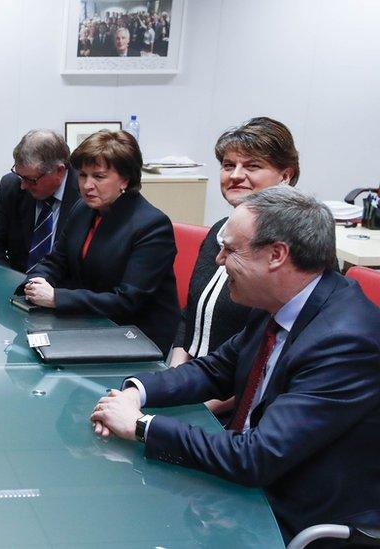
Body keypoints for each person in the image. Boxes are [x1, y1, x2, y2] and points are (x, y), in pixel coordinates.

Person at [90, 186, 380, 543]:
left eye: (230, 249)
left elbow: (257, 457)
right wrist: (138, 392)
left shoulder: (346, 340)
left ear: (276, 255)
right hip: (244, 484)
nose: (218, 260)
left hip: (292, 513)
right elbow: (215, 370)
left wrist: (141, 426)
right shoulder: (281, 302)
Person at [170, 117, 300, 416]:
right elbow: (189, 315)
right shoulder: (219, 230)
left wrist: (199, 409)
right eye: (229, 166)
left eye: (252, 166)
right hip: (193, 387)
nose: (235, 176)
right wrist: (174, 379)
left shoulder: (297, 250)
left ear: (286, 175)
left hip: (240, 408)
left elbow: (272, 361)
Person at [20, 130, 179, 353]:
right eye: (83, 175)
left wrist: (57, 298)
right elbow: (56, 260)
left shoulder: (152, 226)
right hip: (87, 323)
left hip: (133, 335)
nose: (86, 185)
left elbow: (127, 302)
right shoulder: (83, 208)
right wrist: (38, 280)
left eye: (99, 176)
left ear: (125, 179)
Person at [0, 129, 81, 273]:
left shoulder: (84, 196)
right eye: (20, 176)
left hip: (61, 291)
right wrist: (12, 284)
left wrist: (53, 294)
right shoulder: (12, 186)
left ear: (59, 171)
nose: (23, 185)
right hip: (14, 287)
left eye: (31, 180)